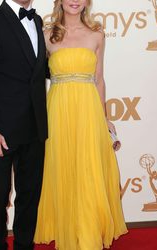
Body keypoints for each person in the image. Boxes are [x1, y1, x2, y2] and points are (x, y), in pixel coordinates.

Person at [34, 0, 128, 249]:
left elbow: (99, 79)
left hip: (88, 112)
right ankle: (68, 230)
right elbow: (33, 79)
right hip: (57, 110)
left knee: (88, 171)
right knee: (63, 168)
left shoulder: (97, 34)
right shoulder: (46, 35)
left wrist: (104, 117)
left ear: (87, 2)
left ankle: (87, 237)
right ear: (60, 1)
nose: (74, 1)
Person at [0, 0, 48, 249]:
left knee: (29, 195)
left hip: (35, 127)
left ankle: (25, 245)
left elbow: (40, 71)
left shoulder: (37, 21)